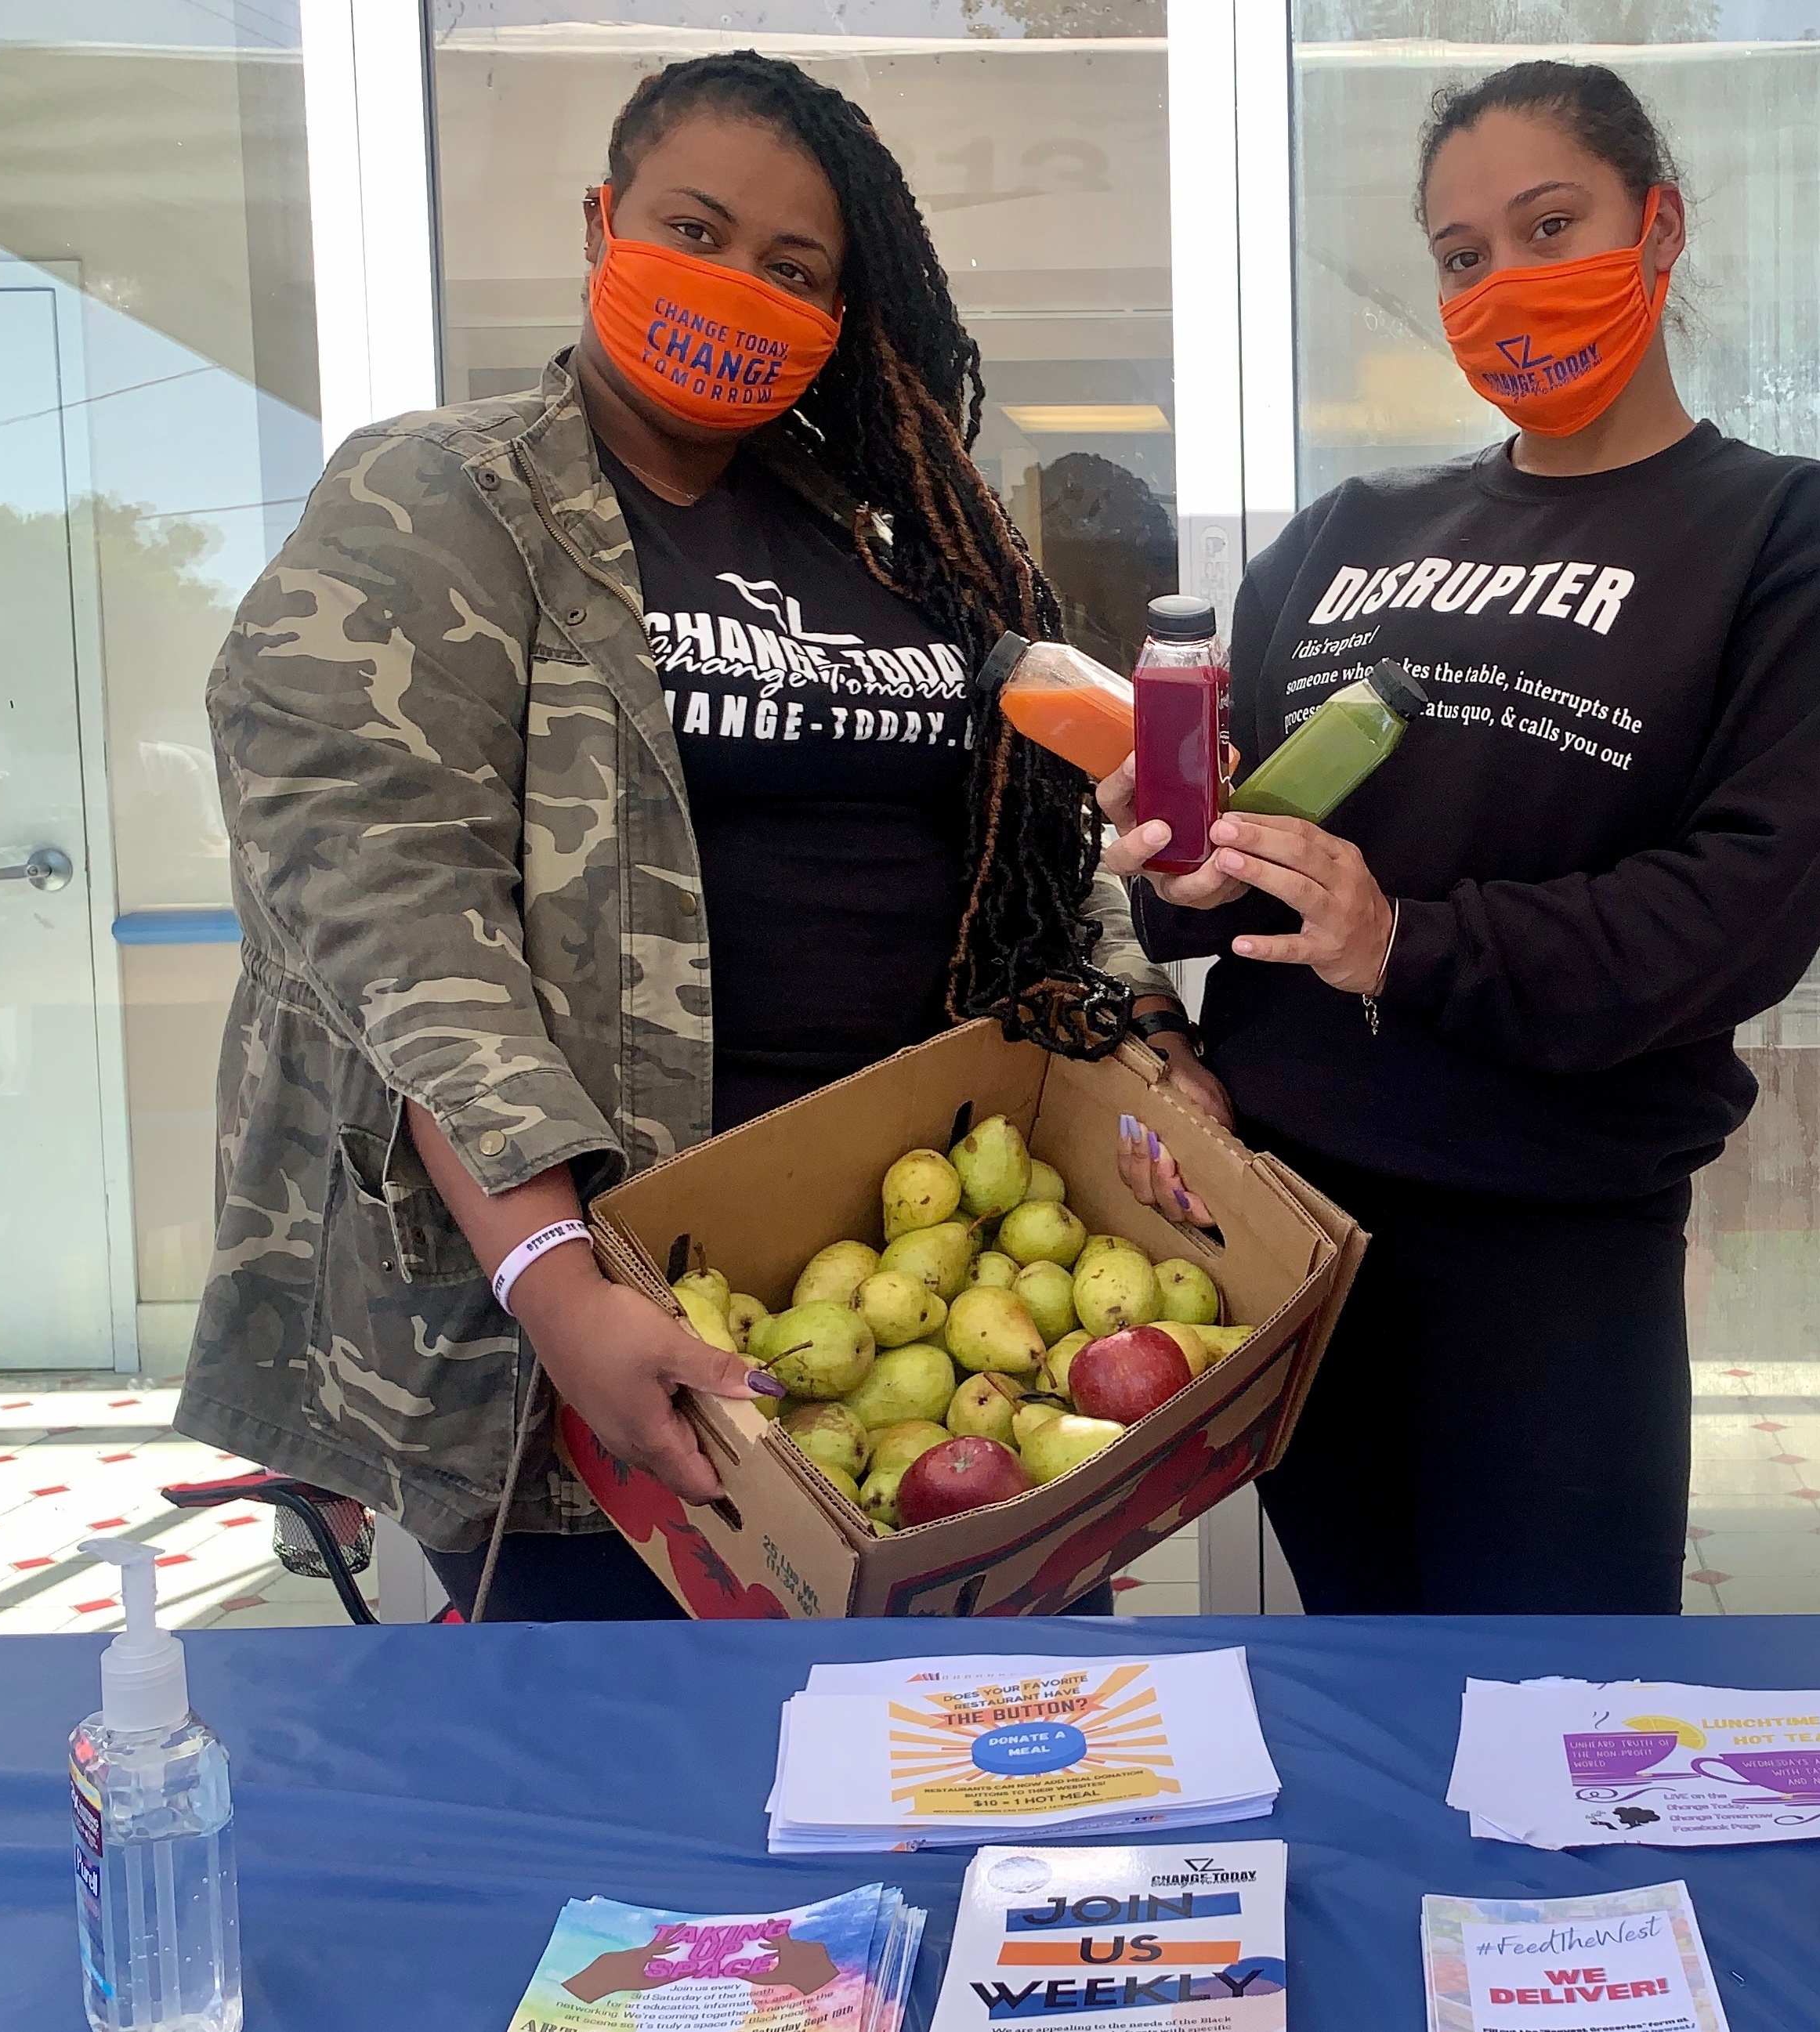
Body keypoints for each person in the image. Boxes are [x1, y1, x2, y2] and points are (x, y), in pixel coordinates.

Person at [177, 51, 1224, 1622]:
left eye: (791, 268)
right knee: (649, 1814)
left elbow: (1033, 852)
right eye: (697, 229)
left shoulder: (891, 542)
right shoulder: (445, 499)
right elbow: (382, 900)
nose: (738, 285)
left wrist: (1141, 1036)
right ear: (605, 222)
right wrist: (554, 1282)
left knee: (967, 1770)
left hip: (928, 1301)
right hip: (611, 1323)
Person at [1105, 60, 1820, 1615]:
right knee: (1369, 1684)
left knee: (1561, 1729)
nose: (1504, 284)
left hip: (1549, 1249)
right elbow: (1233, 843)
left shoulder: (1779, 535)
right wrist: (1185, 871)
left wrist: (1410, 941)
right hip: (1294, 1226)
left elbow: (1745, 903)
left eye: (1551, 225)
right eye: (1461, 256)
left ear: (1656, 227)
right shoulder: (1348, 532)